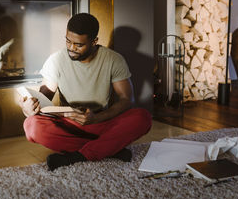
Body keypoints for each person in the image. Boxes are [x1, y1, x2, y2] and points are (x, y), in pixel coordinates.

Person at [19, 13, 152, 171]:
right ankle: (108, 149)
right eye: (68, 41)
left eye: (78, 45)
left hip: (100, 121)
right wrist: (28, 107)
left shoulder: (114, 60)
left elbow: (126, 100)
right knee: (31, 125)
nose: (71, 48)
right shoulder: (56, 60)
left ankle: (77, 156)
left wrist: (96, 118)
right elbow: (43, 99)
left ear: (94, 41)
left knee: (142, 117)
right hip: (69, 124)